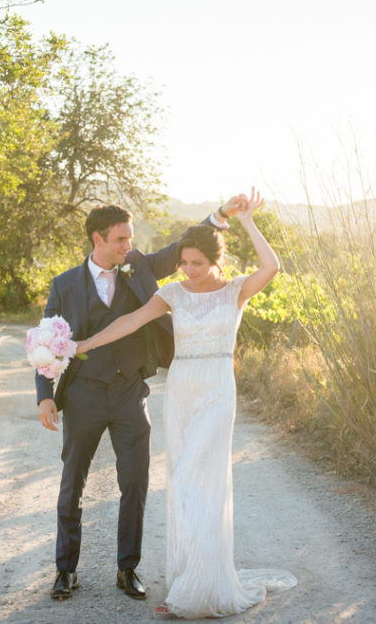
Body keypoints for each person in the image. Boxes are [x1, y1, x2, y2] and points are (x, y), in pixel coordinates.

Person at [75, 187, 298, 618]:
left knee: (201, 483)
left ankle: (203, 589)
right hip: (181, 391)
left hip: (217, 389)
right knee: (182, 482)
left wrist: (247, 219)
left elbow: (272, 266)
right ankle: (190, 578)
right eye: (184, 263)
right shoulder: (173, 294)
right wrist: (86, 342)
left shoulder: (235, 291)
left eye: (197, 263)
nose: (189, 271)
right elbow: (130, 321)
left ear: (216, 261)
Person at [35, 195, 250, 601]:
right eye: (120, 240)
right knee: (72, 483)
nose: (127, 246)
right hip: (82, 394)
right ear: (97, 238)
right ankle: (66, 570)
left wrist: (220, 216)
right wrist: (45, 397)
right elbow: (48, 339)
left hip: (131, 393)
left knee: (135, 483)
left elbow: (182, 249)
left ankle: (127, 568)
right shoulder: (64, 284)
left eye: (130, 239)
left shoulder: (139, 266)